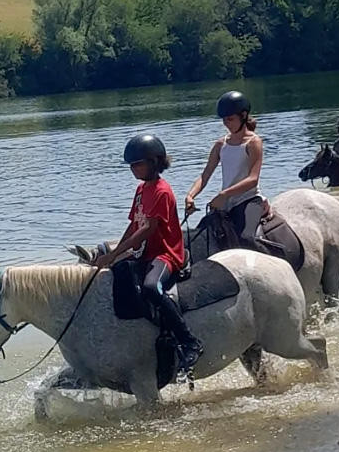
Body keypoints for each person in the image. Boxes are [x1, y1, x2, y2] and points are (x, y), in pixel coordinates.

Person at [96, 134, 203, 372]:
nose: (134, 169)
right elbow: (133, 225)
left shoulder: (162, 191)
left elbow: (147, 230)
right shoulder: (141, 190)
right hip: (145, 254)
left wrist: (114, 255)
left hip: (165, 254)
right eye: (132, 165)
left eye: (139, 163)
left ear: (155, 162)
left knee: (151, 288)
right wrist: (113, 254)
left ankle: (189, 342)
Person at [185, 91, 267, 245]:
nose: (227, 123)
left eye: (230, 119)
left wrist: (224, 194)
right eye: (224, 120)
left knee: (248, 238)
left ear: (243, 116)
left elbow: (253, 179)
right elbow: (205, 175)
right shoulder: (220, 144)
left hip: (249, 199)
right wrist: (190, 196)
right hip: (226, 203)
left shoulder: (253, 142)